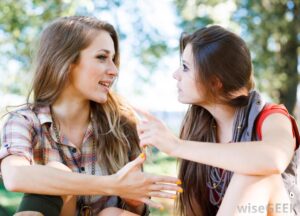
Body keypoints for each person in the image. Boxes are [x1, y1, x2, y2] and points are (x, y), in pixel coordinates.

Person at [0, 16, 182, 216]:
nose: (114, 70)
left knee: (112, 213)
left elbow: (136, 209)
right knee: (56, 170)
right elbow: (15, 176)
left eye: (113, 59)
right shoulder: (25, 121)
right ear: (65, 61)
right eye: (102, 57)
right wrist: (112, 185)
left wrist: (133, 200)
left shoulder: (122, 124)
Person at [135, 25, 300, 216]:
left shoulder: (271, 116)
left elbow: (273, 158)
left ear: (214, 82)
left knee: (253, 173)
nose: (175, 74)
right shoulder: (200, 129)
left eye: (185, 68)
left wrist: (176, 146)